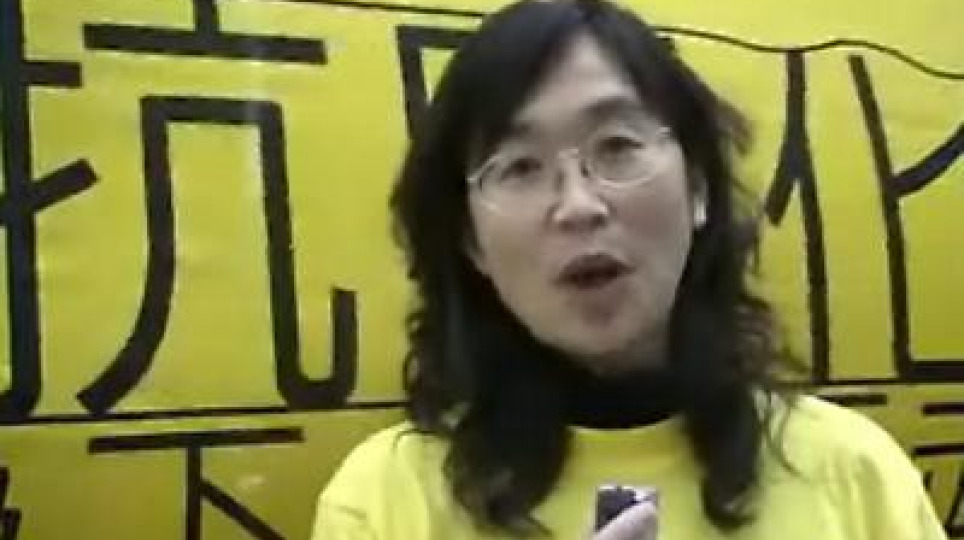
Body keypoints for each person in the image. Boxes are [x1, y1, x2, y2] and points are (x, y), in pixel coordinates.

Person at [312, 1, 947, 538]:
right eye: (520, 167)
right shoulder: (384, 501)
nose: (579, 205)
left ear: (698, 186)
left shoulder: (854, 474)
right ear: (469, 240)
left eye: (617, 146)